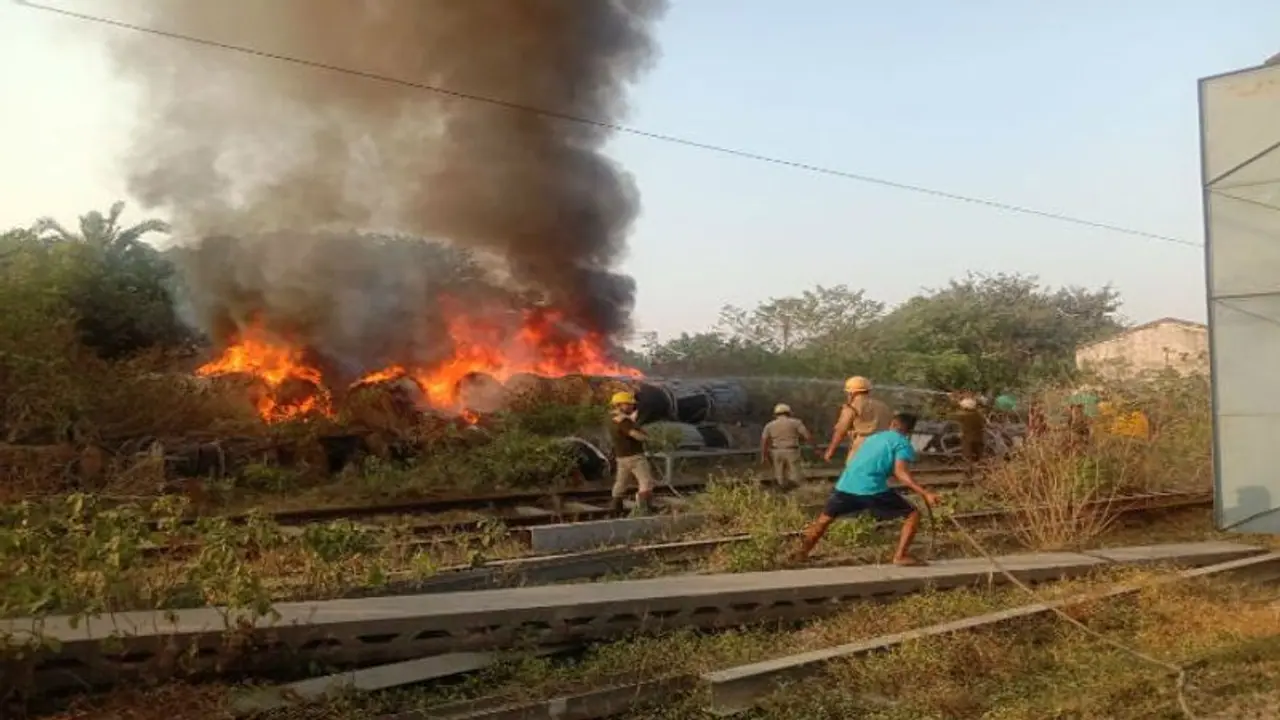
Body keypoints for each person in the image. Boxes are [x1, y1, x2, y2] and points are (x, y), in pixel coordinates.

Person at [795, 412, 942, 566]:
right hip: (871, 489)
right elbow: (900, 472)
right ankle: (900, 556)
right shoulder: (902, 443)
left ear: (892, 424)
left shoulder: (874, 438)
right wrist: (925, 493)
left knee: (824, 520)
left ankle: (801, 553)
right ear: (909, 431)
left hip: (846, 484)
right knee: (913, 514)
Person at [823, 375, 893, 464]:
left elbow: (840, 431)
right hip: (882, 447)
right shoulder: (883, 407)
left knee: (855, 474)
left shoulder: (852, 407)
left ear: (852, 393)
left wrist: (830, 451)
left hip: (861, 448)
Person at [608, 391, 656, 515]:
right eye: (628, 404)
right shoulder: (623, 421)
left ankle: (615, 509)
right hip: (635, 457)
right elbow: (634, 434)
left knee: (621, 483)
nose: (631, 406)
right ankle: (644, 510)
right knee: (646, 482)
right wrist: (648, 438)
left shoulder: (610, 419)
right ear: (619, 405)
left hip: (621, 457)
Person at [760, 403, 811, 490]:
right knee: (795, 475)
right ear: (788, 412)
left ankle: (782, 491)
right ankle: (795, 493)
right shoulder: (796, 423)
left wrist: (764, 455)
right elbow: (807, 436)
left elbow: (764, 441)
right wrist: (816, 448)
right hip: (792, 450)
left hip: (776, 451)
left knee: (780, 476)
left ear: (775, 414)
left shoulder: (770, 425)